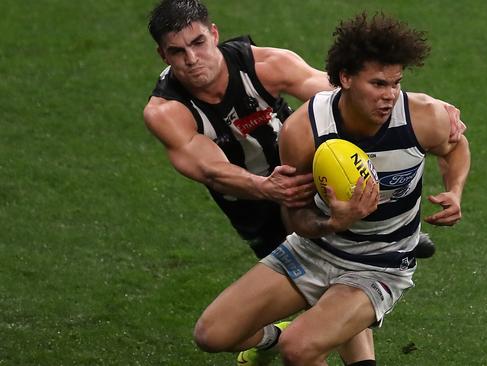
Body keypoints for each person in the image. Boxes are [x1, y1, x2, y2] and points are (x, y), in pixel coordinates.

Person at [191, 11, 471, 366]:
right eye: (378, 84)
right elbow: (295, 217)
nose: (390, 96)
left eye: (395, 83)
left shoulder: (422, 117)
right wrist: (334, 223)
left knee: (300, 348)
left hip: (381, 263)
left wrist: (455, 190)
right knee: (211, 335)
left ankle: (294, 339)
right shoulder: (304, 129)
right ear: (346, 78)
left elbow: (455, 147)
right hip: (313, 250)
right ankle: (272, 339)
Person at [143, 1, 403, 364]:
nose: (192, 58)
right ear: (162, 54)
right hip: (250, 203)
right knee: (219, 332)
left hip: (307, 178)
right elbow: (211, 170)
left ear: (214, 34)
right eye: (177, 51)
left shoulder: (266, 66)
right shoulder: (166, 111)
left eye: (198, 43)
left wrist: (422, 110)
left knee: (338, 274)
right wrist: (265, 187)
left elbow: (343, 97)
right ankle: (275, 339)